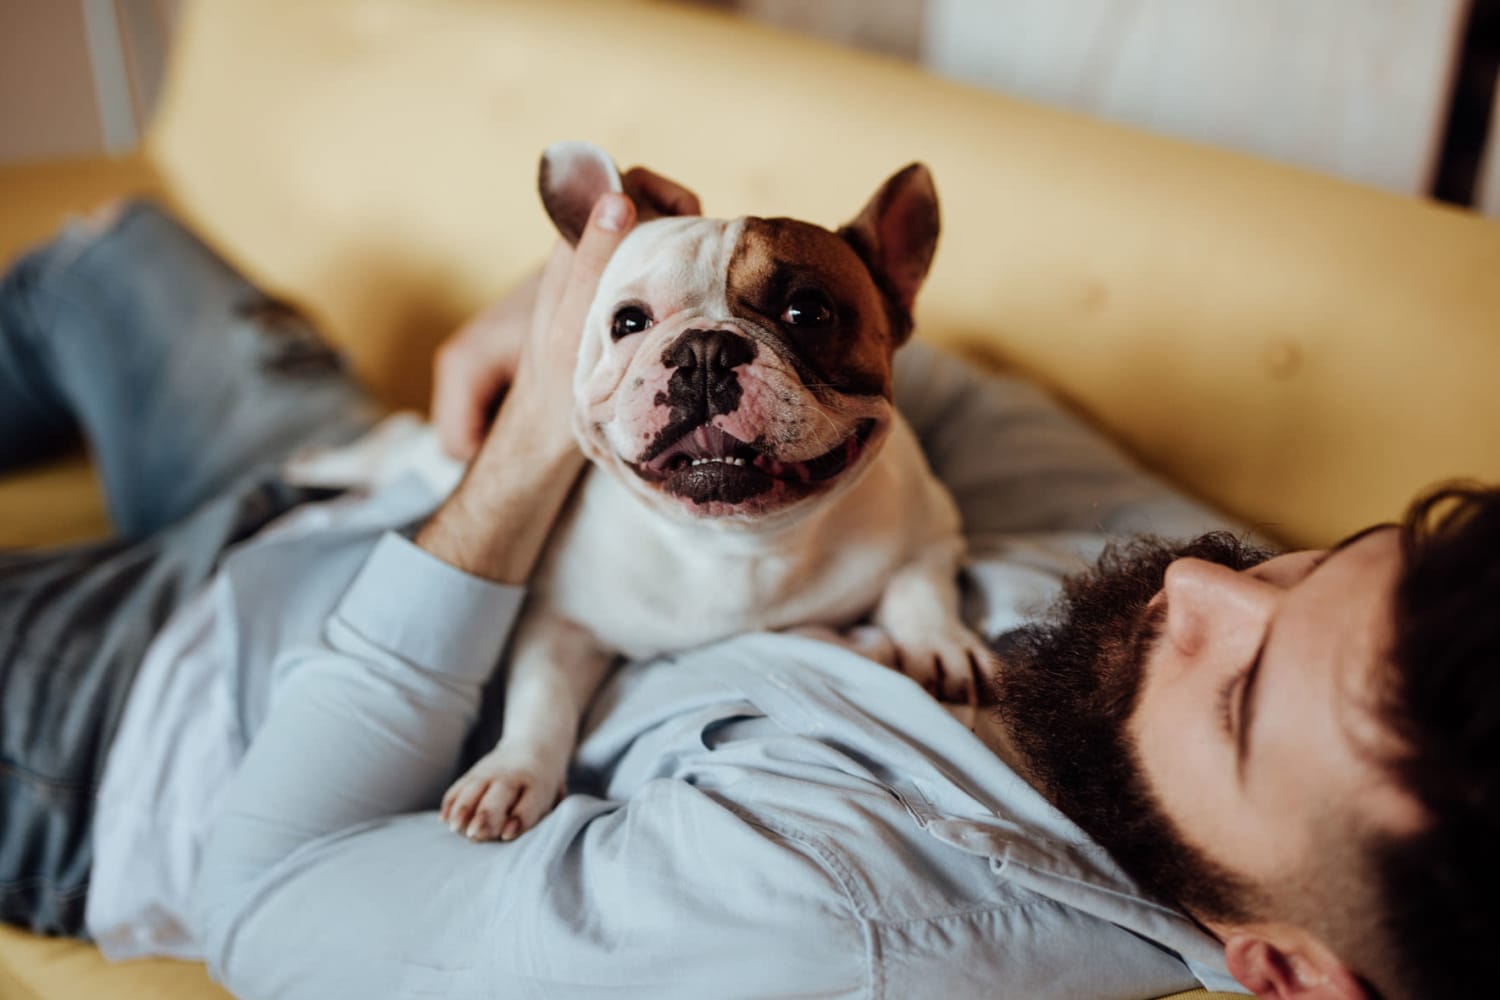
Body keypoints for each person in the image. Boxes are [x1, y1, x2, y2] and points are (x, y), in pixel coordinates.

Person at [0, 186, 1492, 1000]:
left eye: (1233, 697)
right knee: (109, 256)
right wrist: (562, 318)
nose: (1197, 590)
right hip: (358, 473)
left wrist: (539, 446)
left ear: (1283, 973)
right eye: (1307, 564)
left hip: (146, 717)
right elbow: (907, 371)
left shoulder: (826, 914)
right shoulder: (1204, 588)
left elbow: (266, 907)